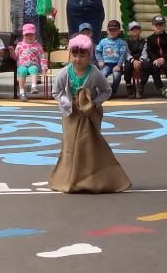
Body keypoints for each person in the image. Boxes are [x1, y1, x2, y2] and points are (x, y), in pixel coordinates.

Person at [49, 34, 131, 194]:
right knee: (71, 145)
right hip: (71, 114)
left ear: (89, 56)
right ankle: (69, 178)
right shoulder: (65, 73)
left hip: (89, 114)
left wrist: (93, 103)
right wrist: (65, 101)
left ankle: (93, 178)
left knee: (90, 145)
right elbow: (56, 91)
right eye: (74, 55)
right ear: (69, 55)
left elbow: (106, 90)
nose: (77, 59)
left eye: (82, 55)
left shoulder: (94, 73)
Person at [142, 14, 167, 99]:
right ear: (153, 27)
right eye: (156, 25)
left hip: (166, 59)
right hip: (155, 60)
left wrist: (163, 58)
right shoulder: (150, 38)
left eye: (161, 25)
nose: (159, 27)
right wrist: (155, 59)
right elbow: (149, 50)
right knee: (154, 68)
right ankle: (161, 88)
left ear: (165, 26)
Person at [14, 23, 48, 101]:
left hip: (33, 65)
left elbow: (42, 57)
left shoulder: (37, 46)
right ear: (23, 36)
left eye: (31, 35)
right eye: (27, 35)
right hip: (22, 65)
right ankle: (22, 92)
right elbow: (15, 57)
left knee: (34, 69)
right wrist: (12, 52)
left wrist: (44, 68)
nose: (29, 37)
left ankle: (33, 87)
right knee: (22, 71)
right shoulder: (19, 45)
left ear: (35, 35)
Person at [95, 19, 128, 97]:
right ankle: (102, 91)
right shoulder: (103, 42)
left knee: (116, 77)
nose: (112, 32)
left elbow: (123, 54)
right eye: (110, 30)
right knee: (102, 75)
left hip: (116, 64)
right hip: (106, 64)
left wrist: (119, 65)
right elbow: (97, 51)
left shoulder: (121, 43)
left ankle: (113, 91)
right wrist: (100, 60)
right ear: (107, 30)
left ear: (119, 31)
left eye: (115, 30)